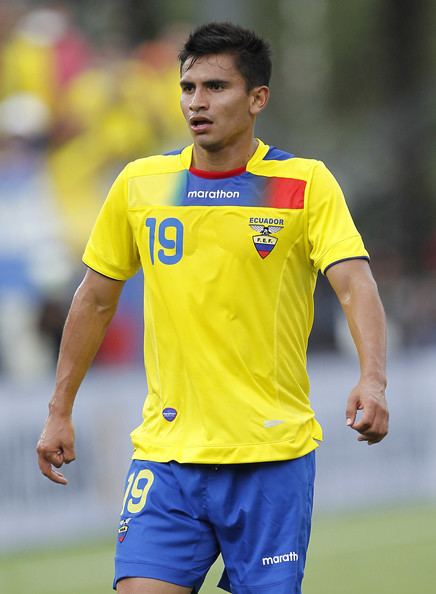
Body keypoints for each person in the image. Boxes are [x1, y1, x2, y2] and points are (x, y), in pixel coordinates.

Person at [37, 22, 389, 594]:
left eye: (216, 87)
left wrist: (372, 380)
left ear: (257, 99)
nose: (197, 102)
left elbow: (354, 285)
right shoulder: (141, 185)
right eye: (188, 87)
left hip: (270, 456)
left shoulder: (303, 184)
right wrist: (59, 409)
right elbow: (95, 300)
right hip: (167, 456)